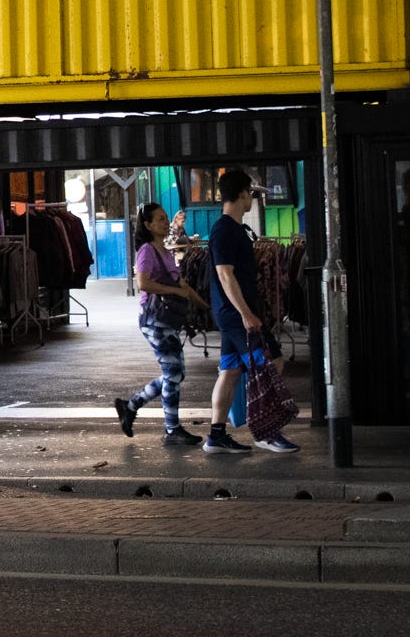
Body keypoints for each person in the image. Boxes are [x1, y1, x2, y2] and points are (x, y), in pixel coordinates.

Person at [204, 168, 297, 454]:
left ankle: (216, 435)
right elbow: (225, 274)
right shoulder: (224, 230)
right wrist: (245, 313)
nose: (252, 199)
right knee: (272, 362)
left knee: (231, 371)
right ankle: (266, 431)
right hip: (236, 314)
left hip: (231, 313)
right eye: (251, 194)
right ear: (243, 193)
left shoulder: (232, 229)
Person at [114, 203, 206, 446]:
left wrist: (204, 305)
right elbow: (143, 283)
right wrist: (173, 290)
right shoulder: (146, 250)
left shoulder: (164, 250)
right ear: (148, 225)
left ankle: (131, 406)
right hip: (155, 321)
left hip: (166, 320)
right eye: (161, 219)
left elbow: (183, 287)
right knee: (173, 374)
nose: (166, 223)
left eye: (167, 218)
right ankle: (171, 429)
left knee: (175, 374)